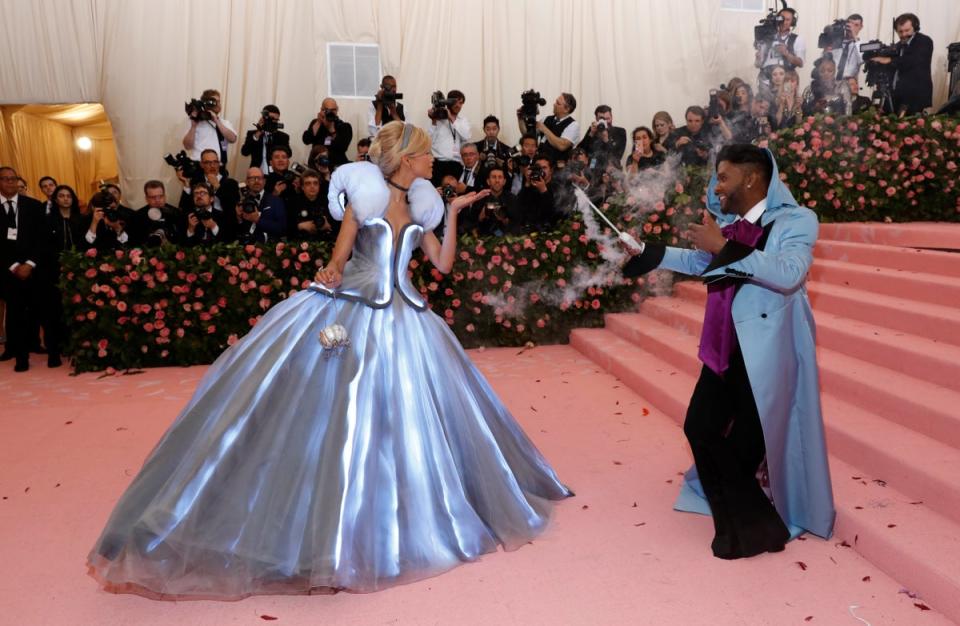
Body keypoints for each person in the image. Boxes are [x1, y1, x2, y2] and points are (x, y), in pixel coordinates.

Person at [87, 121, 572, 598]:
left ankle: (412, 508)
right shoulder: (364, 198)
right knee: (343, 418)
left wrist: (455, 214)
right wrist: (331, 272)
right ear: (407, 158)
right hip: (359, 311)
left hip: (410, 320)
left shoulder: (426, 202)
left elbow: (441, 266)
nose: (432, 160)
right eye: (425, 154)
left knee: (411, 419)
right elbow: (339, 258)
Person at [620, 144, 835, 559]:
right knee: (699, 427)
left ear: (751, 178)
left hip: (766, 355)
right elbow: (705, 261)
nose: (716, 186)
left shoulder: (797, 220)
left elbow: (790, 274)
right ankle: (757, 525)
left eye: (723, 176)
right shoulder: (729, 226)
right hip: (721, 346)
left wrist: (723, 247)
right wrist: (649, 253)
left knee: (743, 448)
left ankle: (748, 531)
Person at [0, 166, 55, 372]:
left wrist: (30, 264)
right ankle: (20, 357)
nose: (10, 183)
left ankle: (51, 352)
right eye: (5, 179)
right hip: (8, 272)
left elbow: (42, 239)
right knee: (14, 316)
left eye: (13, 179)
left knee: (41, 311)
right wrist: (15, 266)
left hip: (35, 269)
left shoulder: (33, 206)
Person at [868, 13, 933, 115]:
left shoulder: (924, 41)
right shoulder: (898, 46)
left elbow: (913, 60)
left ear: (915, 27)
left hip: (915, 97)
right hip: (896, 97)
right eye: (900, 31)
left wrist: (889, 60)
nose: (903, 34)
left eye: (907, 30)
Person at [181, 88, 238, 165]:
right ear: (206, 103)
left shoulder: (225, 123)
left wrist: (217, 121)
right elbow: (187, 146)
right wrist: (193, 127)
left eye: (219, 101)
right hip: (199, 165)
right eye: (214, 102)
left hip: (218, 167)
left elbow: (233, 139)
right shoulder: (194, 122)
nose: (218, 104)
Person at [302, 98, 353, 168]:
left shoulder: (344, 126)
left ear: (337, 109)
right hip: (317, 164)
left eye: (333, 110)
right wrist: (318, 122)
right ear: (321, 109)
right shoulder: (316, 123)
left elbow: (342, 147)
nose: (330, 112)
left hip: (336, 164)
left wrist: (331, 128)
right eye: (327, 110)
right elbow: (306, 140)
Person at [240, 105, 291, 172]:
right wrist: (258, 132)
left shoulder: (283, 136)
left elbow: (289, 154)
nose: (273, 122)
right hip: (258, 174)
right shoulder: (253, 134)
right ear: (263, 118)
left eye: (276, 120)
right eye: (271, 119)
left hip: (276, 174)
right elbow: (245, 152)